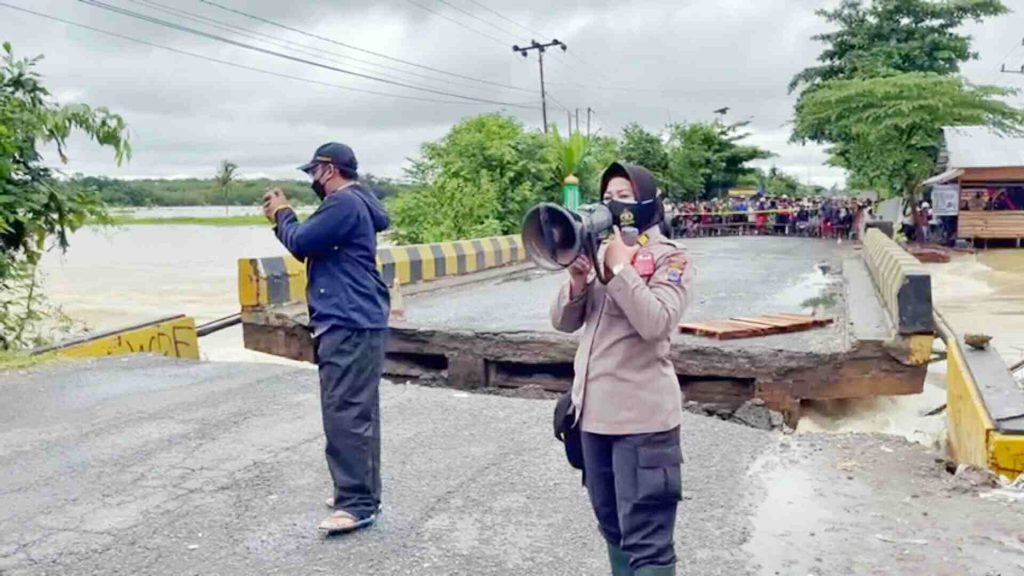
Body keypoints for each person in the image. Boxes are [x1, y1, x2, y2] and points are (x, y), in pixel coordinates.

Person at [550, 162, 693, 576]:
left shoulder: (671, 259)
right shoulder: (596, 253)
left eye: (625, 198)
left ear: (648, 203)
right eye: (608, 197)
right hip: (594, 418)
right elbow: (563, 322)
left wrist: (622, 269)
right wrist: (578, 282)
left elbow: (656, 323)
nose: (613, 205)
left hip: (643, 423)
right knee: (612, 527)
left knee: (647, 538)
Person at [262, 142, 391, 536]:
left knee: (345, 412)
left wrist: (282, 213)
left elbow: (300, 242)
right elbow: (312, 246)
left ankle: (355, 503)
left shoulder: (343, 203)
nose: (312, 181)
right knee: (359, 410)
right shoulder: (360, 202)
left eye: (313, 173)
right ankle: (363, 493)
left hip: (347, 318)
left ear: (328, 169)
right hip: (360, 316)